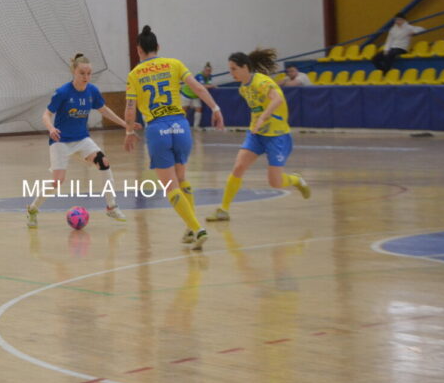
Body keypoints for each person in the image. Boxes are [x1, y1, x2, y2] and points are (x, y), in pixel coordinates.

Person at [124, 25, 225, 250]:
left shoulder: (134, 75)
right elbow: (198, 88)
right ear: (158, 47)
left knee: (170, 186)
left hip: (157, 129)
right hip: (180, 126)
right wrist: (216, 108)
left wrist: (129, 131)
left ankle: (197, 228)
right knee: (181, 179)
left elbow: (130, 109)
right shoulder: (174, 64)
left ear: (138, 50)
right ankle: (191, 227)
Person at [26, 54, 135, 228]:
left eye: (89, 73)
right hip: (61, 141)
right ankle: (32, 208)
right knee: (57, 181)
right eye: (82, 73)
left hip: (82, 139)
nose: (86, 77)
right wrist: (51, 128)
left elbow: (104, 110)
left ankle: (111, 206)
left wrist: (125, 124)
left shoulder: (92, 91)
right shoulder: (62, 92)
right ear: (74, 72)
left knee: (104, 163)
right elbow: (46, 115)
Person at [209, 48, 310, 222]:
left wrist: (263, 117)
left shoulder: (261, 81)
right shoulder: (243, 88)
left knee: (275, 182)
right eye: (230, 69)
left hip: (277, 135)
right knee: (238, 167)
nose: (231, 72)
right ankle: (223, 210)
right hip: (256, 135)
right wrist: (257, 124)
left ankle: (296, 180)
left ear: (245, 67)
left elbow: (277, 99)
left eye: (234, 69)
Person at [181, 62, 215, 129]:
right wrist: (212, 86)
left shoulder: (209, 77)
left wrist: (210, 86)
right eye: (207, 70)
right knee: (184, 110)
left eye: (210, 71)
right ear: (204, 70)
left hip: (195, 95)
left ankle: (196, 126)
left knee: (199, 109)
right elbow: (203, 86)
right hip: (187, 94)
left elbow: (208, 85)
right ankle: (182, 126)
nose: (208, 72)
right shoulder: (199, 76)